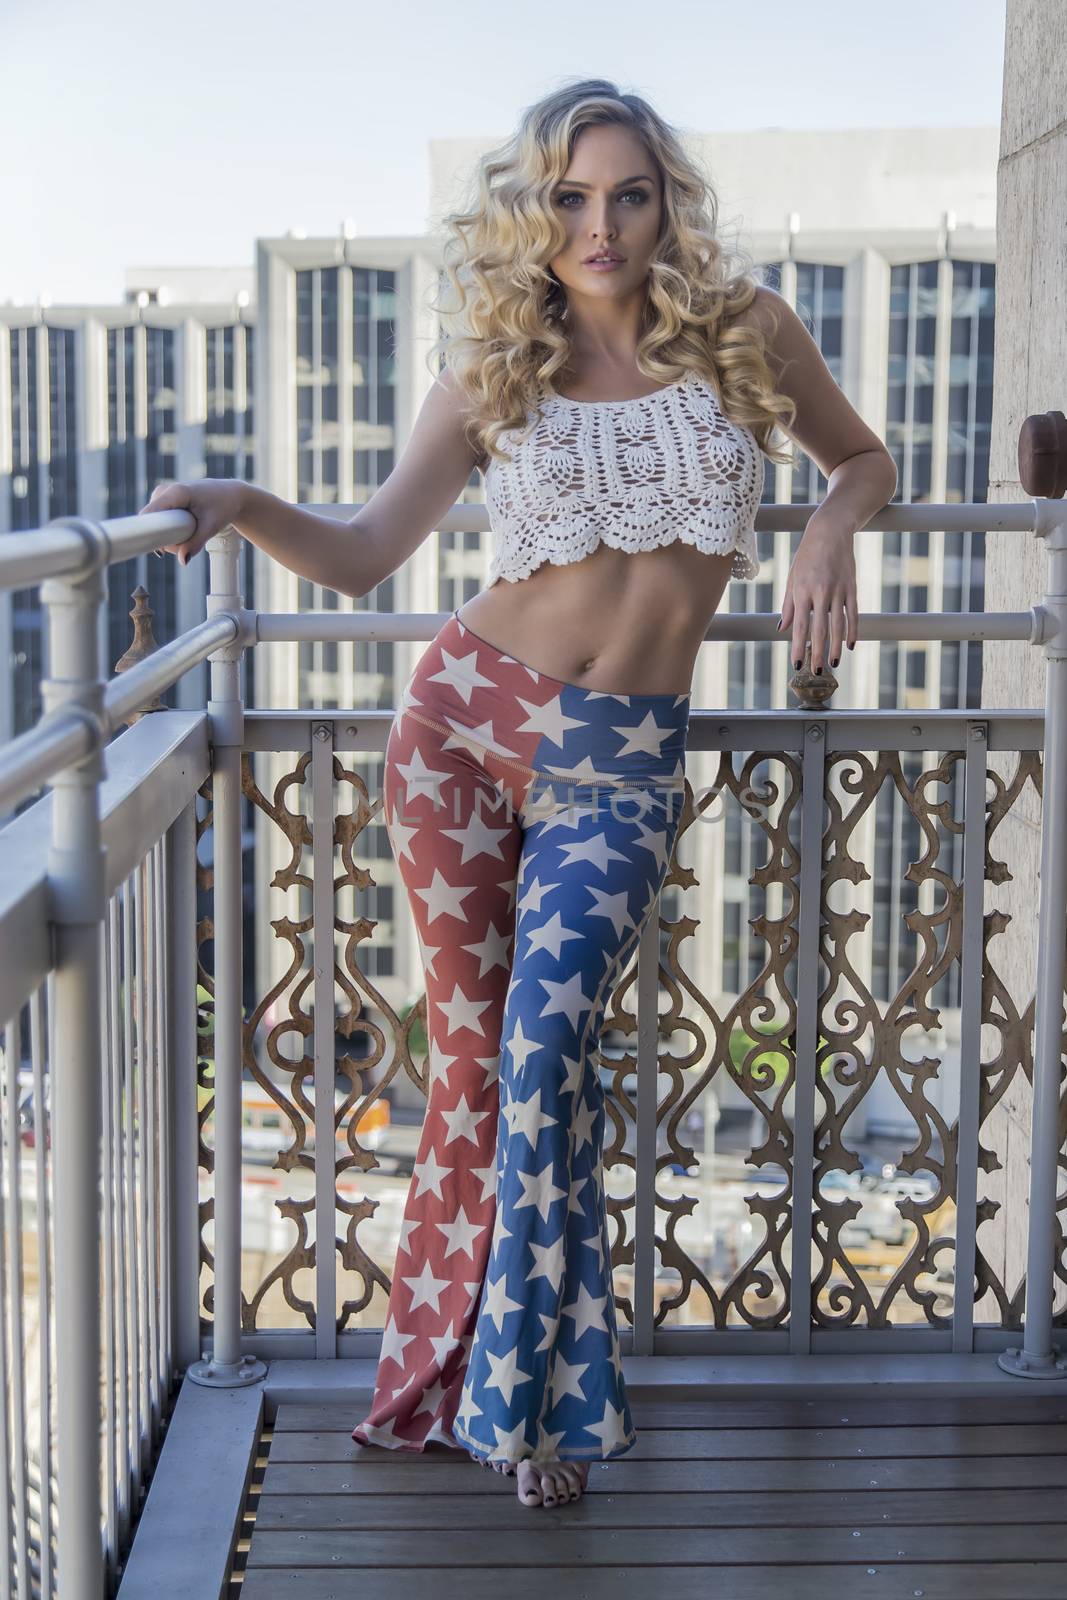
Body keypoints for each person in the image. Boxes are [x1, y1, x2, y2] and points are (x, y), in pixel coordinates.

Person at [142, 78, 896, 1510]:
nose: (598, 224)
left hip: (616, 755)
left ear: (665, 199)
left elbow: (863, 457)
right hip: (461, 725)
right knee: (482, 1074)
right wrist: (240, 502)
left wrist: (826, 538)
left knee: (545, 1062)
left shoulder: (746, 331)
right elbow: (366, 553)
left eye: (624, 192)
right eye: (566, 196)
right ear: (529, 212)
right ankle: (470, 1396)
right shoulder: (499, 366)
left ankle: (522, 1400)